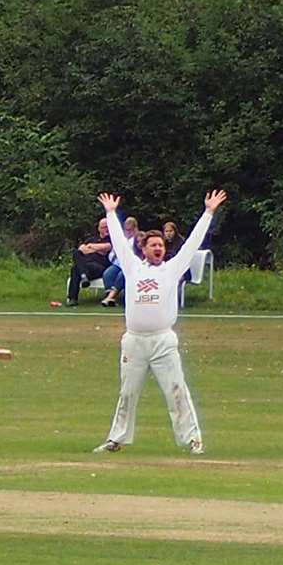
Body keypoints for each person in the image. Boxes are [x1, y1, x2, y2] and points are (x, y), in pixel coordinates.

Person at [92, 189, 227, 456]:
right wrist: (110, 212)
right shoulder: (132, 267)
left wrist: (208, 212)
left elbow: (192, 244)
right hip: (134, 341)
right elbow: (119, 242)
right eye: (153, 245)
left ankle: (193, 439)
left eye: (161, 246)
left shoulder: (172, 268)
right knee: (127, 393)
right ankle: (116, 439)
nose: (158, 248)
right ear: (143, 249)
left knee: (176, 389)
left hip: (163, 341)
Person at [64, 218, 113, 306]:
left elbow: (107, 247)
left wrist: (90, 247)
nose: (106, 229)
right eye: (103, 227)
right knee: (75, 262)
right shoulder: (92, 238)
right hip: (86, 266)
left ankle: (81, 279)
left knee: (76, 268)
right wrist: (96, 249)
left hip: (100, 266)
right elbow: (81, 249)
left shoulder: (112, 239)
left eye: (107, 227)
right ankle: (73, 298)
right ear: (99, 229)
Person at [100, 216, 141, 306]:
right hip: (119, 264)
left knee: (121, 275)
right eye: (126, 230)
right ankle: (110, 297)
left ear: (135, 229)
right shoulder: (122, 240)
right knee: (108, 273)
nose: (128, 232)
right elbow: (112, 256)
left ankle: (111, 297)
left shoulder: (138, 239)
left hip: (132, 266)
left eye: (130, 230)